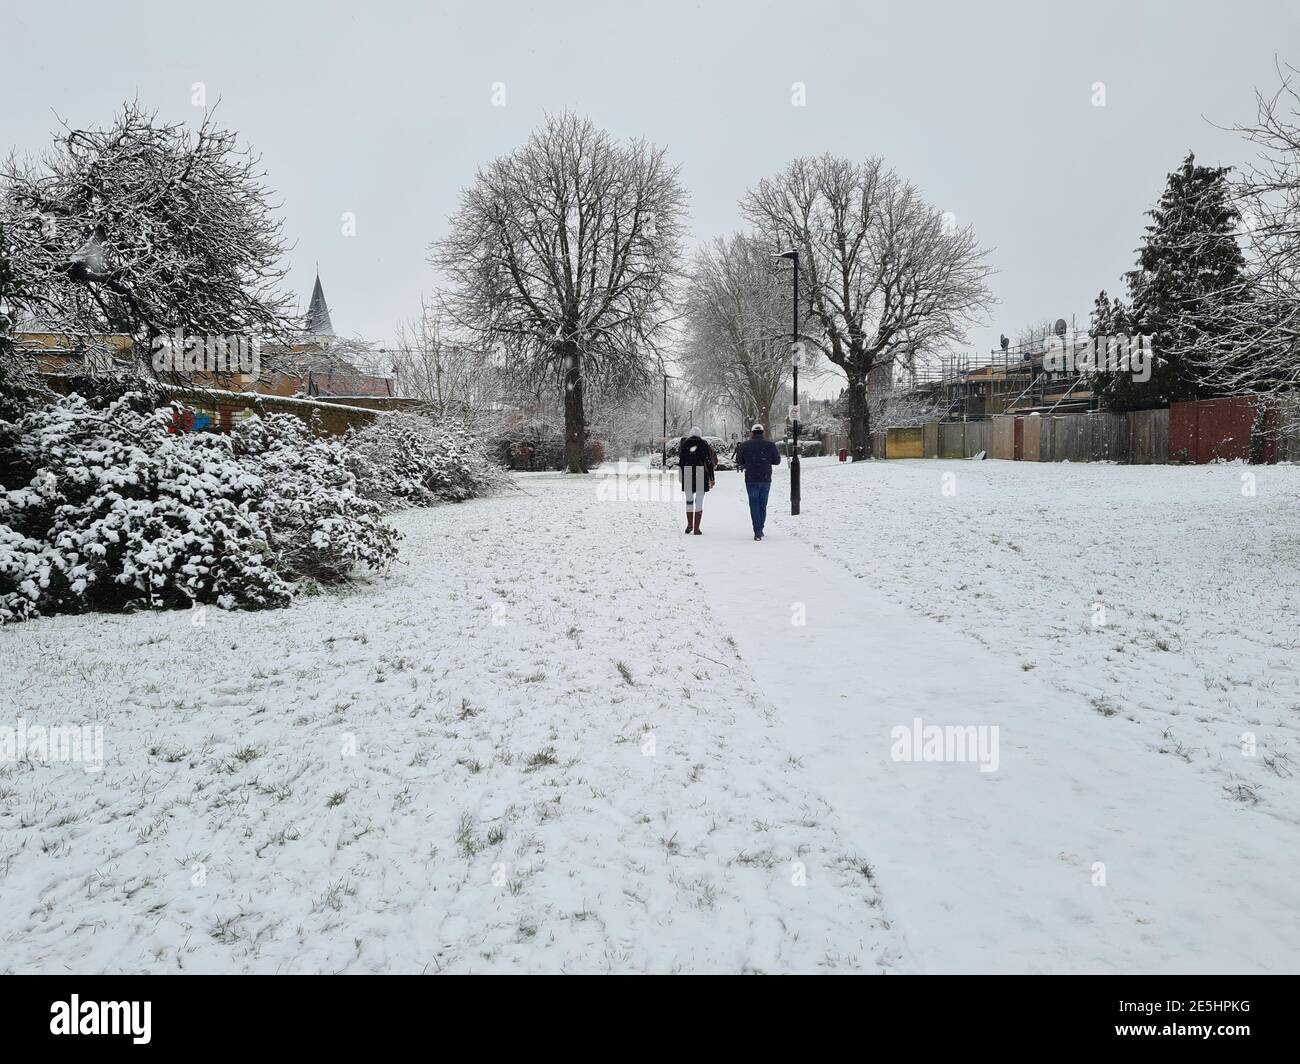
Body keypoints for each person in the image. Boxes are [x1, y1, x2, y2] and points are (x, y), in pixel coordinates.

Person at [735, 423, 781, 540]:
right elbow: (777, 461)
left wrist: (749, 462)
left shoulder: (745, 445)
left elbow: (739, 461)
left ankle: (757, 530)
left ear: (752, 433)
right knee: (762, 505)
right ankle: (760, 527)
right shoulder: (770, 445)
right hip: (765, 478)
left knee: (754, 504)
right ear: (763, 432)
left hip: (751, 479)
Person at [678, 426, 716, 535]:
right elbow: (709, 462)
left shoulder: (685, 444)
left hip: (688, 472)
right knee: (699, 501)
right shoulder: (704, 444)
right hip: (700, 472)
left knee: (689, 501)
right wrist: (712, 478)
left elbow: (681, 462)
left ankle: (689, 524)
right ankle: (696, 528)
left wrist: (681, 477)